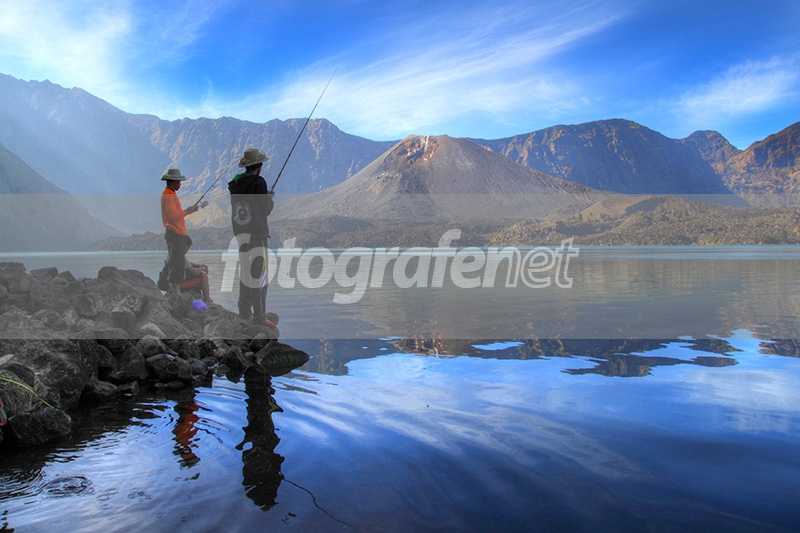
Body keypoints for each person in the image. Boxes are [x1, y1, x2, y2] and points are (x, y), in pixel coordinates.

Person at [228, 148, 274, 326]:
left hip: (241, 235)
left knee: (246, 274)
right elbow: (265, 209)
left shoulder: (235, 184)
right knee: (259, 276)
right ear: (259, 166)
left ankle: (244, 312)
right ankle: (260, 317)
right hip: (257, 235)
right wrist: (269, 199)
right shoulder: (258, 182)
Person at [161, 168, 199, 295]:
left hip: (176, 234)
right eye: (179, 181)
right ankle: (176, 293)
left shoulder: (169, 194)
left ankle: (176, 292)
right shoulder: (169, 195)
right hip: (175, 234)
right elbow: (172, 216)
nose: (180, 184)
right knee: (176, 263)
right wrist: (187, 211)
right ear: (173, 181)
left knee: (177, 262)